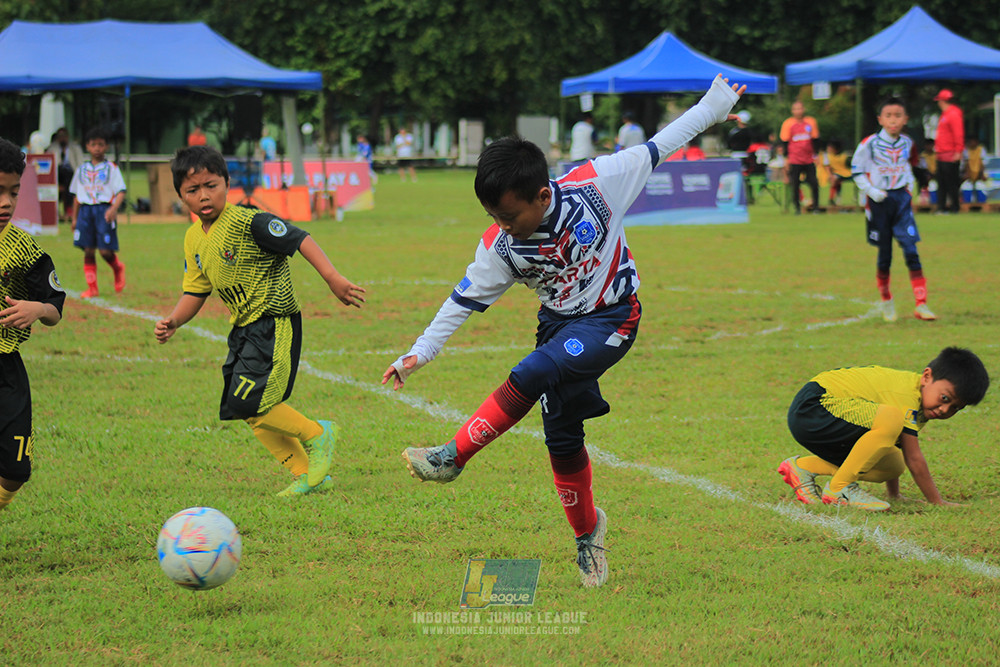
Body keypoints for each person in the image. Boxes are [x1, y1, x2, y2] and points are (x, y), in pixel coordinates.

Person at [382, 75, 744, 588]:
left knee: (535, 369)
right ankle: (589, 535)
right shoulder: (503, 245)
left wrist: (714, 105)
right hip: (558, 324)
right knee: (562, 439)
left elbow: (661, 143)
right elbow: (462, 300)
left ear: (541, 193)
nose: (503, 226)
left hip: (613, 316)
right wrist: (421, 352)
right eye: (493, 217)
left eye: (509, 215)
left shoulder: (598, 183)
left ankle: (452, 456)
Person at [154, 146, 366, 496]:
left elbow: (300, 239)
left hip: (274, 321)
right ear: (180, 196)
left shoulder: (248, 221)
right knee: (246, 409)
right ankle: (307, 476)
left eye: (211, 185)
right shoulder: (194, 239)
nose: (204, 196)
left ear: (227, 182)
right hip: (243, 330)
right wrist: (175, 320)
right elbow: (196, 290)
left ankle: (318, 433)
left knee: (254, 402)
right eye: (193, 191)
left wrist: (332, 277)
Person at [778, 347, 989, 511]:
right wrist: (937, 501)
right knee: (892, 418)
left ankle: (802, 468)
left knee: (893, 464)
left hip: (822, 418)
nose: (945, 409)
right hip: (816, 406)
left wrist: (894, 495)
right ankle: (839, 489)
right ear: (926, 377)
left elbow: (893, 443)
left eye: (956, 407)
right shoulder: (907, 396)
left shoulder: (921, 407)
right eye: (945, 398)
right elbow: (914, 459)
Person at [0, 136, 66, 513]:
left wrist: (36, 308)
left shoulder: (24, 248)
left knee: (16, 469)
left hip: (7, 369)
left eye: (13, 192)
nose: (6, 203)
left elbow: (55, 308)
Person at [852, 97, 936, 322]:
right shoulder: (869, 144)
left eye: (898, 116)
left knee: (910, 250)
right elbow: (856, 171)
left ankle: (922, 304)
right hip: (879, 202)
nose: (893, 120)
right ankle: (887, 301)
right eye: (888, 116)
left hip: (901, 201)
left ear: (905, 119)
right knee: (885, 254)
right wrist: (871, 191)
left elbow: (913, 165)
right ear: (880, 119)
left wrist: (908, 188)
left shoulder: (908, 143)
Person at [69, 126, 126, 299]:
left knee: (104, 251)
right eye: (93, 145)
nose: (97, 148)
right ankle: (92, 288)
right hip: (86, 212)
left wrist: (113, 209)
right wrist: (74, 218)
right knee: (88, 249)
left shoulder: (111, 168)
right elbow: (77, 196)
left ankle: (117, 267)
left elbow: (121, 191)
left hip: (103, 210)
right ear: (87, 147)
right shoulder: (82, 170)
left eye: (101, 145)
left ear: (106, 147)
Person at [780, 101, 821, 214]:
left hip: (808, 158)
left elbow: (815, 140)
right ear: (792, 111)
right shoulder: (788, 123)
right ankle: (797, 207)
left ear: (804, 109)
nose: (798, 111)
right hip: (795, 159)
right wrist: (786, 158)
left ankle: (816, 207)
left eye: (800, 108)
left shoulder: (810, 122)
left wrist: (816, 155)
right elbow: (785, 142)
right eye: (795, 109)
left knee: (813, 182)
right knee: (795, 184)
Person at [933, 89, 963, 214]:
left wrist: (958, 150)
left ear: (942, 101)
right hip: (941, 154)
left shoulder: (953, 114)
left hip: (950, 154)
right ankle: (941, 207)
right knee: (942, 183)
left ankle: (955, 207)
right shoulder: (944, 115)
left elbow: (958, 133)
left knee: (951, 183)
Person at [45, 127, 85, 222]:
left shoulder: (75, 148)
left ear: (67, 137)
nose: (62, 138)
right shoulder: (52, 148)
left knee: (68, 178)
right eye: (60, 136)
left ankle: (69, 211)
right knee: (61, 175)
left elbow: (80, 164)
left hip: (71, 174)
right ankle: (57, 213)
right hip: (57, 175)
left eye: (64, 136)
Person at [822, 139, 852, 206]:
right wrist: (830, 175)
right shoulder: (827, 156)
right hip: (836, 173)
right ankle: (832, 198)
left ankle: (858, 198)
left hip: (846, 172)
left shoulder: (844, 155)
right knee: (835, 179)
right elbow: (827, 167)